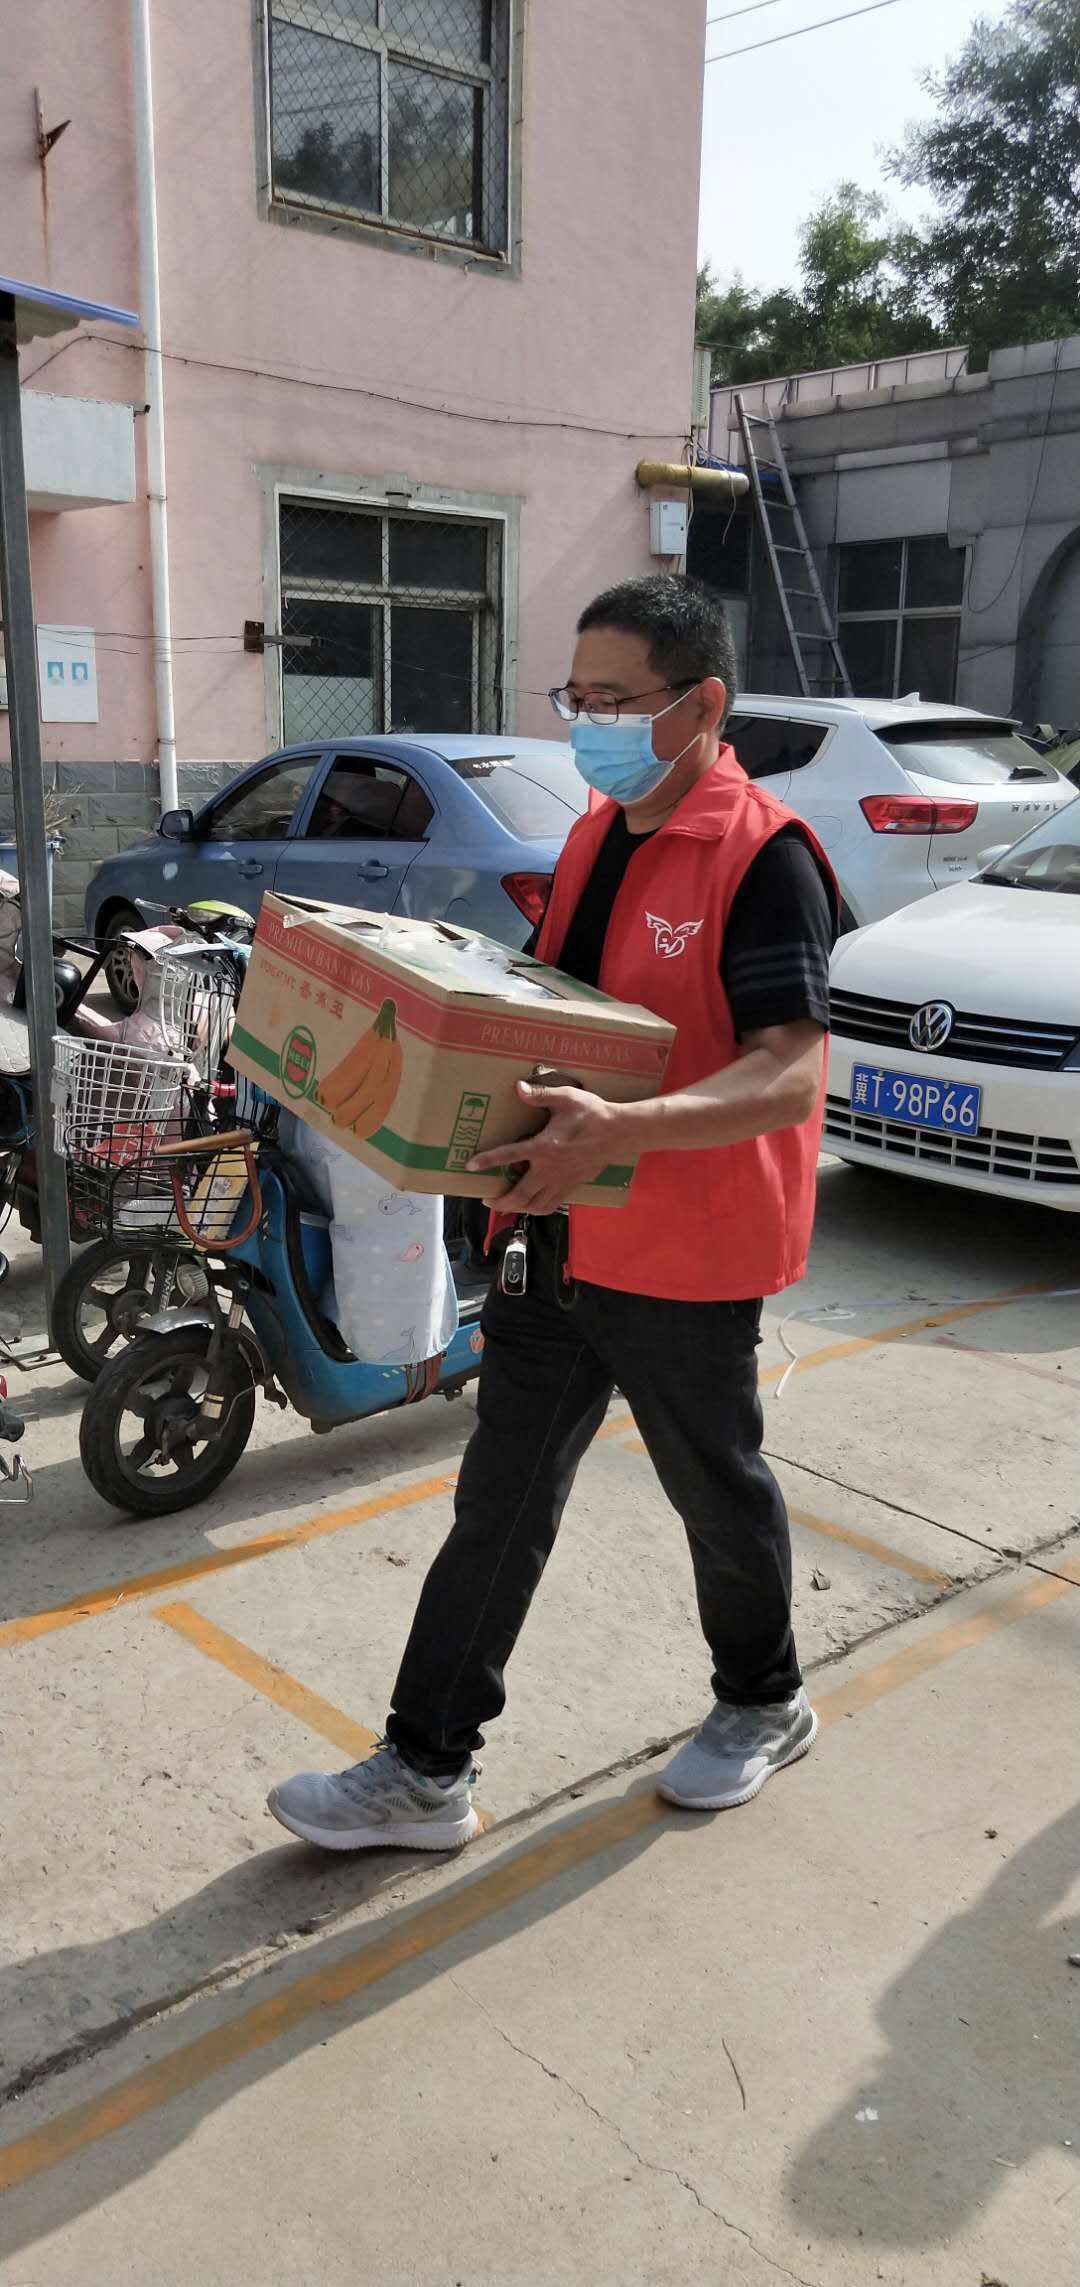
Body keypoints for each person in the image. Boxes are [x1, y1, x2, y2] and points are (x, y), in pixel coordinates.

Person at [268, 574, 838, 1854]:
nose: (589, 724)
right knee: (502, 1499)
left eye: (615, 700)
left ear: (702, 703)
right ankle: (425, 1767)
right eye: (575, 697)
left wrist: (624, 1131)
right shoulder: (594, 833)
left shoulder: (764, 855)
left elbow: (788, 1073)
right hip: (557, 1226)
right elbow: (554, 1013)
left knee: (715, 1490)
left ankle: (765, 1699)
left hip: (686, 1249)